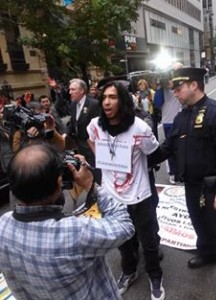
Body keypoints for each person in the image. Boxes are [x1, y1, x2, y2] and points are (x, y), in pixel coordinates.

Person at [0, 143, 135, 300]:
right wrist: (90, 184)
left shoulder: (3, 226)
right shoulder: (74, 232)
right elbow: (124, 225)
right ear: (59, 184)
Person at [148, 67, 216, 300]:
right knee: (199, 225)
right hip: (191, 186)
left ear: (194, 85)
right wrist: (141, 157)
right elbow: (166, 148)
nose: (176, 93)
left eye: (179, 88)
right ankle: (206, 253)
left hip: (214, 188)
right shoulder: (182, 116)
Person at [87, 81, 165, 300]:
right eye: (104, 98)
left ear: (122, 100)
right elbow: (90, 140)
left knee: (148, 240)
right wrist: (104, 158)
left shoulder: (140, 127)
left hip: (139, 194)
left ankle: (155, 275)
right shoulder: (95, 125)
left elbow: (153, 152)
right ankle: (129, 271)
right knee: (122, 241)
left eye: (112, 97)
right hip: (112, 197)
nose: (107, 102)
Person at [67, 78, 102, 184]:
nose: (70, 92)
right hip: (79, 146)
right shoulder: (73, 104)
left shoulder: (94, 104)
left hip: (92, 146)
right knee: (87, 172)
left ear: (82, 90)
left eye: (73, 90)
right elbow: (73, 122)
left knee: (97, 173)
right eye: (70, 89)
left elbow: (99, 127)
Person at [154, 62, 183, 184]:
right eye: (173, 70)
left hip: (183, 119)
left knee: (183, 148)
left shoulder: (184, 83)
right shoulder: (163, 86)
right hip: (168, 122)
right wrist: (160, 86)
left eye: (178, 70)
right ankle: (172, 173)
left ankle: (182, 172)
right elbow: (157, 103)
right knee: (171, 148)